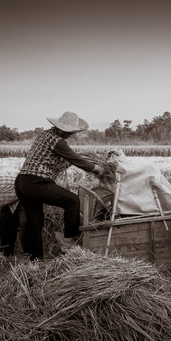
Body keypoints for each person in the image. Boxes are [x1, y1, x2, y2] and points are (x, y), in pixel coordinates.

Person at [15, 111, 105, 260]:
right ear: (63, 129)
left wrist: (80, 159)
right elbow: (75, 159)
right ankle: (68, 241)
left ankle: (35, 259)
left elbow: (60, 160)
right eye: (70, 132)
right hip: (36, 183)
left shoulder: (44, 135)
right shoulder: (58, 142)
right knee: (72, 201)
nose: (71, 135)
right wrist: (96, 168)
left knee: (35, 221)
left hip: (21, 182)